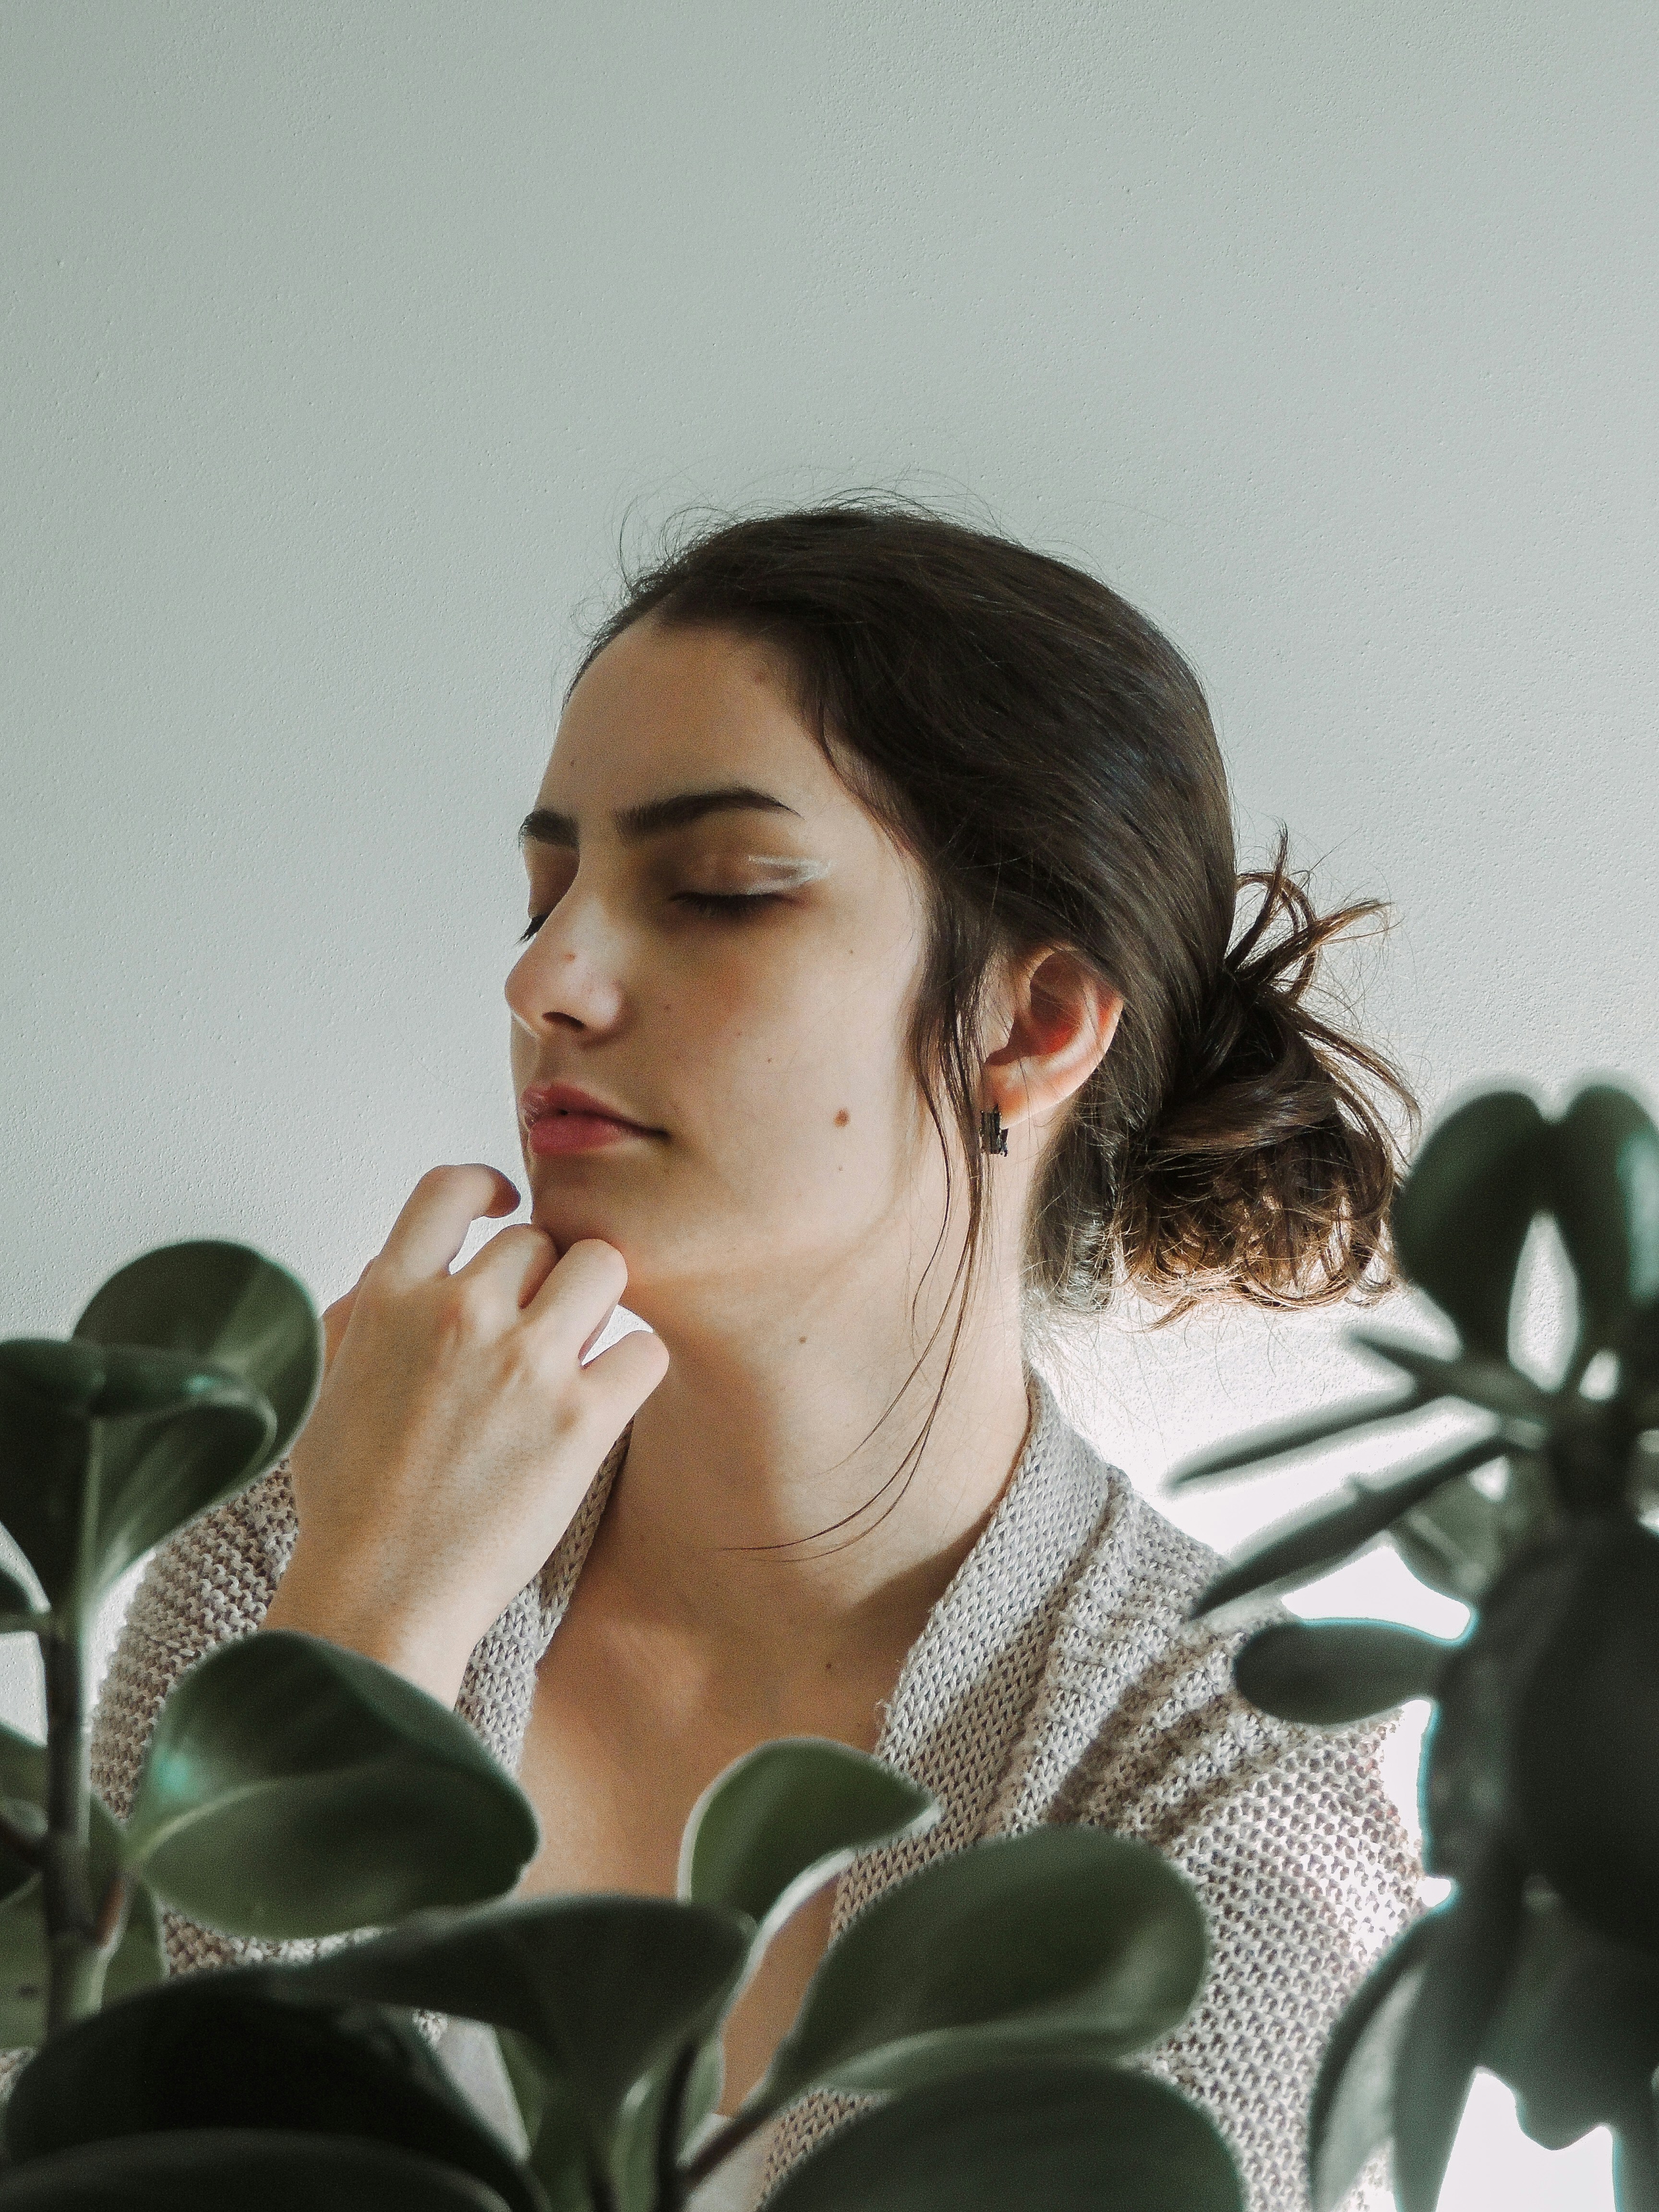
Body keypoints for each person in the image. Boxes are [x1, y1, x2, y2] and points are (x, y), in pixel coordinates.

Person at [85, 503, 1420, 2211]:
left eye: (717, 892)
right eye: (547, 889)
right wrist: (363, 1635)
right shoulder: (294, 1561)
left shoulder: (1232, 1782)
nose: (546, 976)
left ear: (1029, 1027)